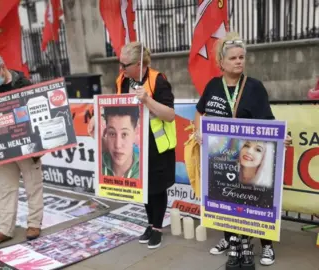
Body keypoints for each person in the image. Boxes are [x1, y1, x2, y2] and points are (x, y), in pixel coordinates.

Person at [194, 32, 292, 267]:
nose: (239, 61)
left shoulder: (255, 87)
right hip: (223, 157)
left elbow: (268, 121)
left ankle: (267, 246)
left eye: (241, 57)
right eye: (233, 58)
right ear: (221, 63)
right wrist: (199, 131)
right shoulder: (213, 86)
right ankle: (232, 241)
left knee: (257, 198)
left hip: (250, 155)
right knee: (226, 197)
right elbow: (200, 112)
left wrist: (281, 139)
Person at [88, 41, 177, 249]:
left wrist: (147, 100)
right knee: (144, 187)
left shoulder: (157, 80)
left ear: (139, 64)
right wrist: (96, 117)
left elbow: (170, 115)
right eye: (120, 64)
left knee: (157, 187)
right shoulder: (123, 80)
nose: (121, 69)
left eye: (125, 65)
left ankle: (157, 228)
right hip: (137, 144)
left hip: (157, 144)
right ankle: (150, 224)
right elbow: (113, 106)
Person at [0, 51, 44, 248]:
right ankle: (5, 229)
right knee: (6, 188)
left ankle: (33, 224)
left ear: (3, 67)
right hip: (3, 145)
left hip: (26, 144)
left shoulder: (24, 84)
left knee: (33, 185)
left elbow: (39, 111)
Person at [101, 106, 140, 178]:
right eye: (112, 134)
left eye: (124, 134)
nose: (117, 145)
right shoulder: (97, 164)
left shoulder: (145, 170)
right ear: (106, 132)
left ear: (135, 132)